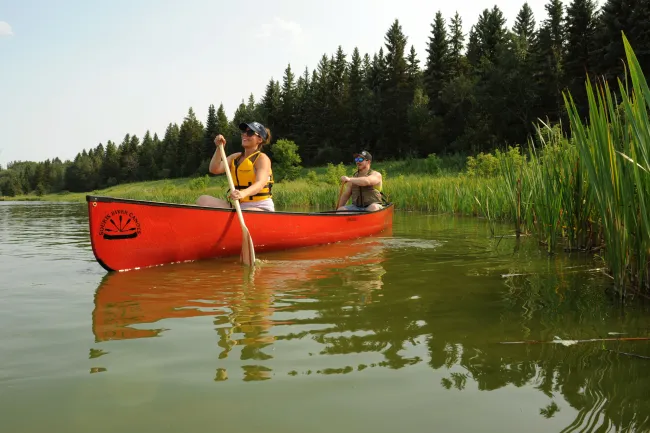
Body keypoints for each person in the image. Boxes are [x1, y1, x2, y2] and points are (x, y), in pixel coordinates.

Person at [196, 121, 275, 212]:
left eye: (250, 133)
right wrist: (219, 147)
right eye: (244, 132)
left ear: (259, 139)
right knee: (203, 200)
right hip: (239, 206)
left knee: (247, 212)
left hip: (260, 207)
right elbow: (214, 169)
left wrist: (243, 193)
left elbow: (260, 183)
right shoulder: (235, 157)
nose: (245, 135)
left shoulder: (262, 159)